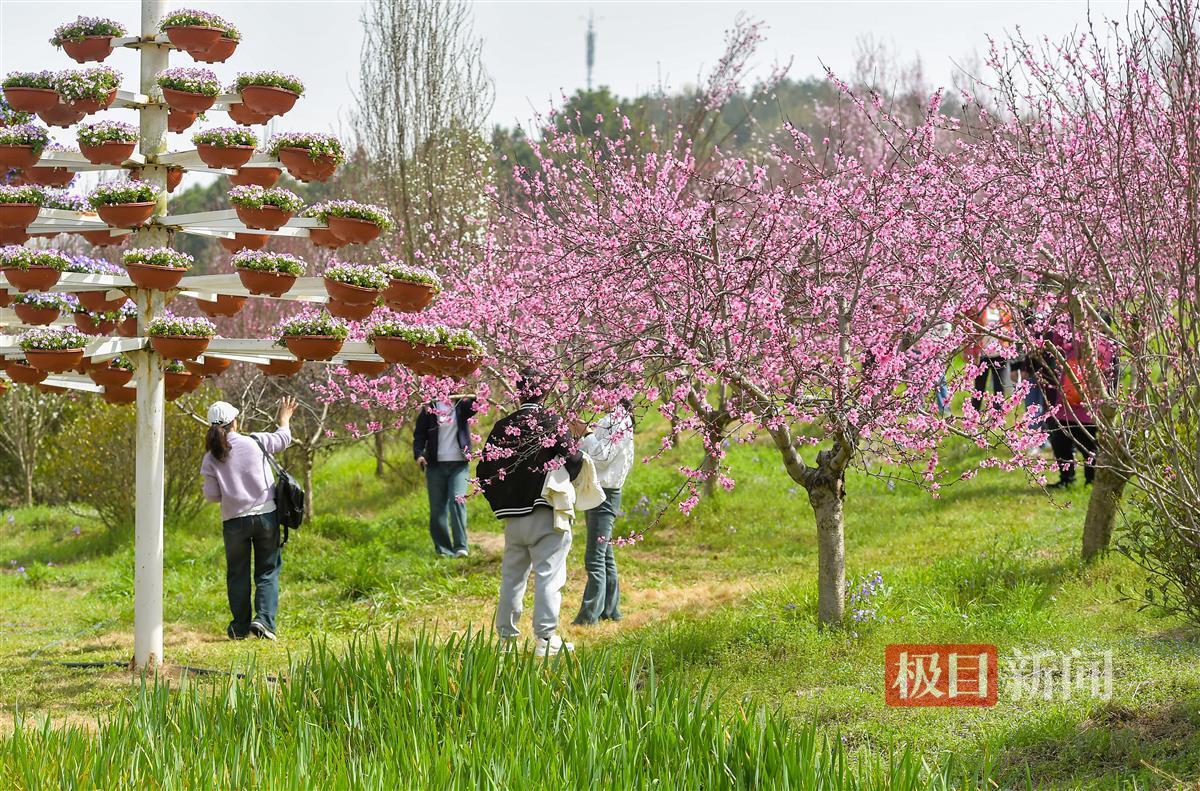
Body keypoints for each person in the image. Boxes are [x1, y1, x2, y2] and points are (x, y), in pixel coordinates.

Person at [476, 368, 583, 656]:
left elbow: (483, 471)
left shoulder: (501, 427)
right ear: (545, 391)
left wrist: (501, 502)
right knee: (549, 574)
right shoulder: (550, 421)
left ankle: (506, 642)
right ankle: (545, 641)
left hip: (513, 518)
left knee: (512, 578)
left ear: (518, 390)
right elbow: (574, 460)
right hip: (545, 512)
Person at [201, 397, 297, 641]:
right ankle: (263, 620)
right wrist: (284, 419)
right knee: (267, 570)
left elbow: (211, 496)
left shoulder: (211, 458)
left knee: (238, 573)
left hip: (234, 522)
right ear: (235, 421)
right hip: (266, 516)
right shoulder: (256, 441)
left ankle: (240, 627)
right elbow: (283, 439)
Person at [573, 398, 635, 625]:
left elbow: (601, 457)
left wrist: (586, 433)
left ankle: (589, 617)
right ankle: (611, 610)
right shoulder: (607, 419)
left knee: (594, 558)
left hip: (606, 494)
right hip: (597, 491)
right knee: (605, 556)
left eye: (596, 390)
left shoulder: (619, 421)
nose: (591, 397)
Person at [413, 395, 477, 558]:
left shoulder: (462, 405)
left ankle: (461, 547)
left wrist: (475, 392)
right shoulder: (430, 407)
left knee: (457, 501)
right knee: (437, 508)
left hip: (459, 464)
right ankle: (443, 549)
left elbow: (478, 404)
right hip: (435, 464)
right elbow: (419, 434)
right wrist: (419, 454)